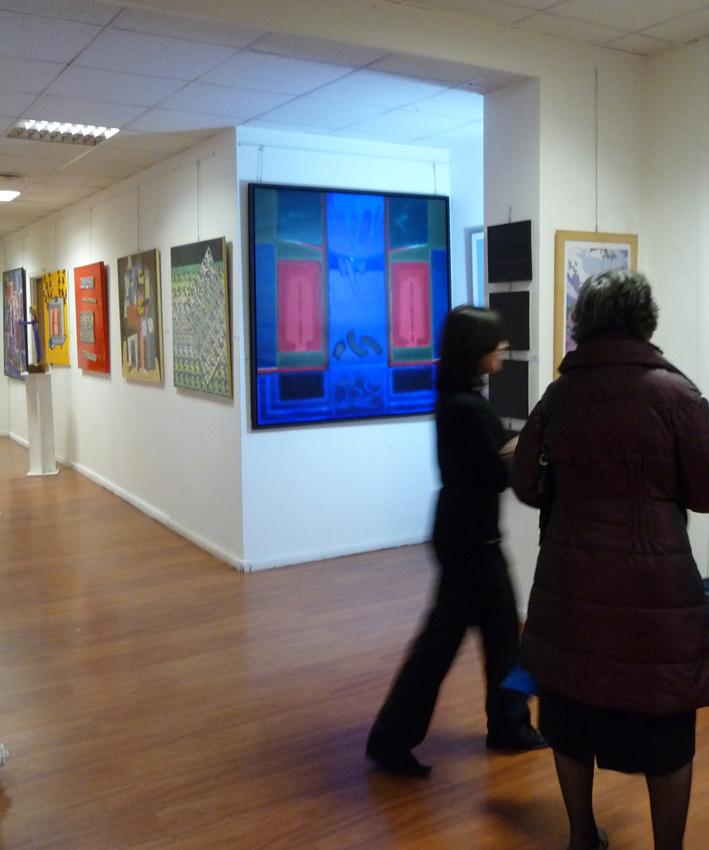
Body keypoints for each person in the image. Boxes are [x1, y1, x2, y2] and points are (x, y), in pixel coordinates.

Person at [513, 270, 709, 850]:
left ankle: (581, 835)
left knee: (569, 711)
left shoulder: (560, 395)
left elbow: (524, 481)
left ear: (586, 323)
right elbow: (706, 492)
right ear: (646, 320)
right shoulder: (677, 394)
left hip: (569, 579)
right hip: (656, 591)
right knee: (666, 727)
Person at [366, 305, 546, 778]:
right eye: (495, 341)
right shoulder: (466, 407)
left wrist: (514, 446)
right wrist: (524, 447)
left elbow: (492, 454)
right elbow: (496, 471)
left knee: (502, 635)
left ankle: (509, 724)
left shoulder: (458, 398)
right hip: (470, 541)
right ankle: (391, 739)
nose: (503, 347)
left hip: (466, 534)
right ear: (475, 350)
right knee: (441, 646)